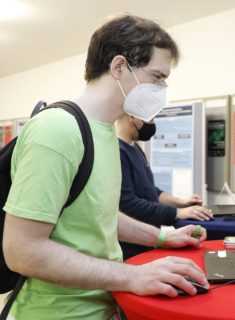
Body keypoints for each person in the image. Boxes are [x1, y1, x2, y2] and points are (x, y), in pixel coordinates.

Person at [2, 14, 209, 320]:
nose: (161, 89)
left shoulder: (104, 132)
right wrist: (131, 276)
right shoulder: (58, 130)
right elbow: (22, 250)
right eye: (156, 77)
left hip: (103, 307)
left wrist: (163, 236)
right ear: (119, 66)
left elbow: (100, 215)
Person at [115, 114, 213, 259]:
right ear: (132, 118)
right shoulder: (118, 152)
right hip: (132, 249)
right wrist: (176, 213)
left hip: (147, 244)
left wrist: (180, 202)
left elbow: (149, 190)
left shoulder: (134, 148)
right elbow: (128, 204)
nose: (153, 123)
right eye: (151, 118)